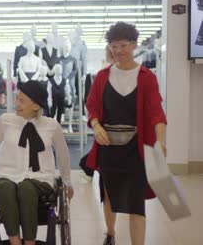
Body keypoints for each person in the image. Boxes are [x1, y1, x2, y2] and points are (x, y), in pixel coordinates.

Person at [85, 22, 167, 245]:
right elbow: (91, 106)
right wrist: (96, 125)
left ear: (134, 45)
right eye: (113, 46)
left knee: (135, 202)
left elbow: (156, 112)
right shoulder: (102, 77)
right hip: (108, 147)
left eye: (123, 45)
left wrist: (160, 140)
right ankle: (110, 234)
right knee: (109, 196)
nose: (118, 51)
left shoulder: (146, 77)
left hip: (135, 149)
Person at [0, 80, 74, 245]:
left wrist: (67, 182)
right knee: (5, 188)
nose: (17, 103)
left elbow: (63, 155)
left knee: (26, 187)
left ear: (36, 106)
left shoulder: (51, 126)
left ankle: (30, 242)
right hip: (7, 174)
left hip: (40, 178)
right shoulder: (5, 121)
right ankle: (15, 241)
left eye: (22, 100)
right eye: (17, 98)